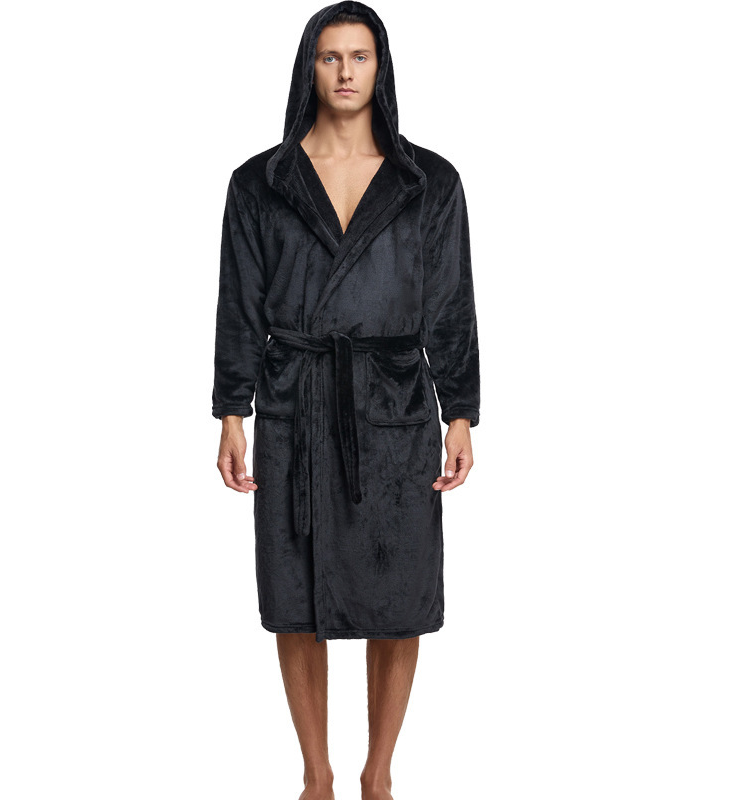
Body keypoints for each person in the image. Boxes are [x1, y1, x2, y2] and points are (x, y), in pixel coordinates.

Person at [211, 2, 480, 798]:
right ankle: (316, 776)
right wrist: (232, 410)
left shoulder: (428, 181)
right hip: (294, 401)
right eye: (330, 57)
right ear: (310, 67)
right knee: (295, 591)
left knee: (401, 594)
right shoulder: (261, 182)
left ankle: (379, 774)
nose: (345, 72)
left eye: (360, 56)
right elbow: (239, 303)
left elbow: (452, 303)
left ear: (380, 67)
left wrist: (460, 410)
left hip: (394, 406)